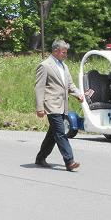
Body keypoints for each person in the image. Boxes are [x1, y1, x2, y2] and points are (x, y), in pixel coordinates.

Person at [35, 39, 84, 171]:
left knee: (53, 134)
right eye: (63, 52)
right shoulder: (45, 65)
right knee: (61, 133)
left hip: (63, 105)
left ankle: (40, 158)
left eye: (66, 52)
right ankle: (69, 161)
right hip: (51, 105)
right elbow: (39, 88)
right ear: (55, 51)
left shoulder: (64, 66)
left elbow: (70, 85)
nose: (65, 55)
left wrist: (78, 94)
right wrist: (40, 108)